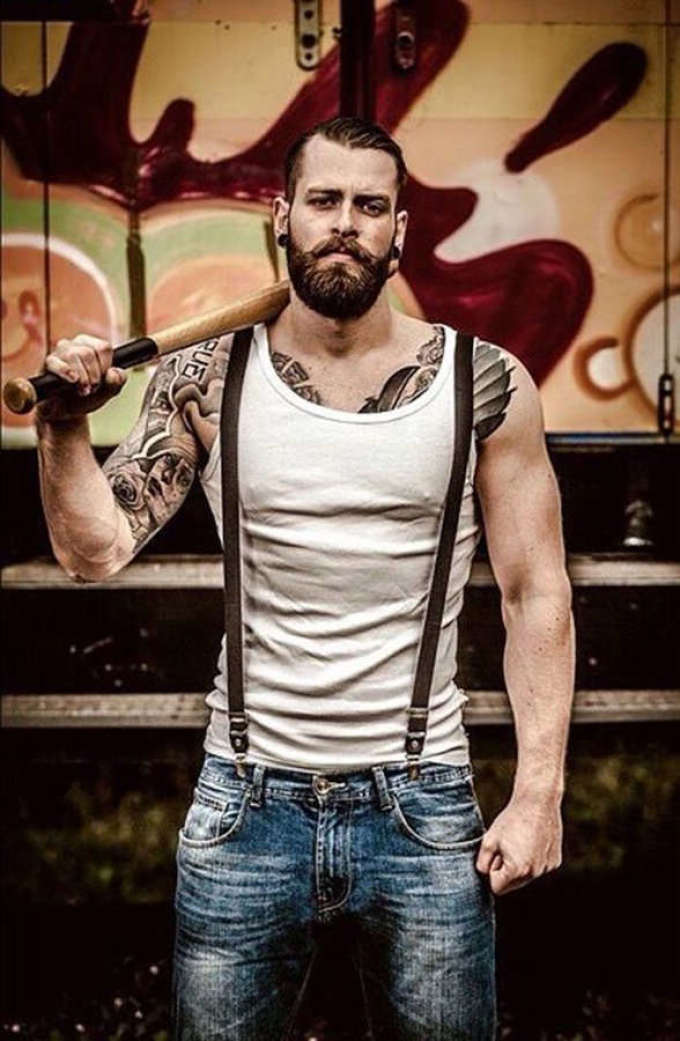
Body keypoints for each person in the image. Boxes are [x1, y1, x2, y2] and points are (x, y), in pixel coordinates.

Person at [36, 117, 574, 1041]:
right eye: (324, 201)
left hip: (423, 803)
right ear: (281, 218)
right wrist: (64, 427)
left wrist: (538, 795)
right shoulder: (206, 376)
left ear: (400, 231)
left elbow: (537, 594)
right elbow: (95, 550)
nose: (346, 223)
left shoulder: (483, 383)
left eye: (370, 205)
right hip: (245, 803)